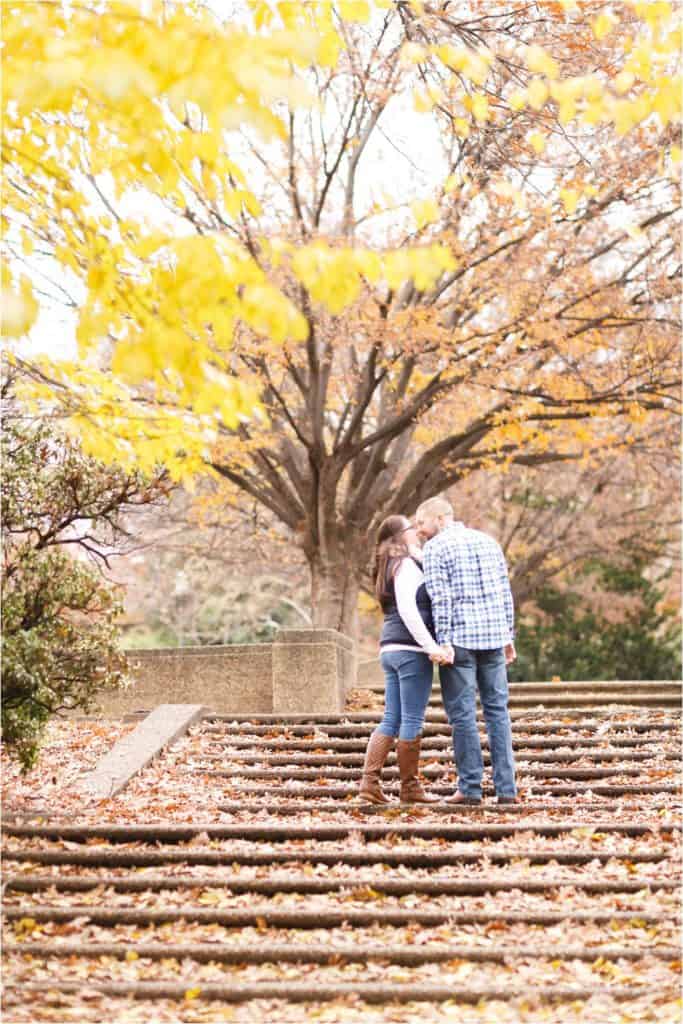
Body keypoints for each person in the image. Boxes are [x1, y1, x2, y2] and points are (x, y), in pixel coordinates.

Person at [416, 497, 518, 805]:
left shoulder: (435, 548)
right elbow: (505, 592)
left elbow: (440, 598)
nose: (419, 530)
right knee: (498, 712)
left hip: (459, 640)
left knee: (462, 715)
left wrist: (442, 640)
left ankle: (471, 788)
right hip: (492, 637)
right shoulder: (488, 542)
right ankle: (506, 790)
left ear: (440, 517)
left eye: (421, 522)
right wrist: (508, 635)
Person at [358, 514, 452, 805]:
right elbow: (410, 611)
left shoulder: (393, 564)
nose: (416, 532)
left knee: (392, 717)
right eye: (410, 529)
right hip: (410, 650)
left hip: (391, 648)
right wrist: (431, 646)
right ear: (399, 537)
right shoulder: (406, 567)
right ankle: (409, 788)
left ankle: (369, 784)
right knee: (411, 718)